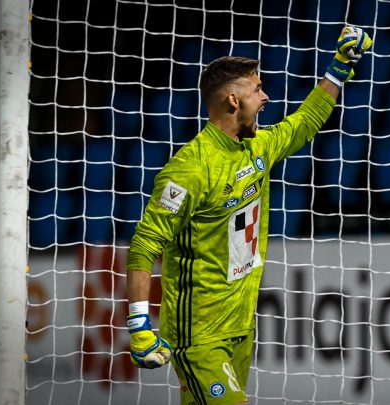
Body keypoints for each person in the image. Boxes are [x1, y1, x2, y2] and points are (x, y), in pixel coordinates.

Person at [125, 26, 373, 404]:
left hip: (241, 325)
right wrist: (139, 324)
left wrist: (340, 67)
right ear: (232, 100)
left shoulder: (257, 147)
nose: (266, 96)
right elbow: (144, 246)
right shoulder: (190, 169)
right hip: (199, 333)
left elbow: (305, 121)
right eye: (257, 89)